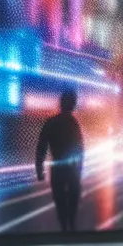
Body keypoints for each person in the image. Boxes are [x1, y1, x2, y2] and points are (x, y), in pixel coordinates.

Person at [35, 88, 85, 232]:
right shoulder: (74, 123)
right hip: (72, 169)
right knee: (73, 199)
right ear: (72, 104)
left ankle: (64, 228)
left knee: (60, 201)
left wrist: (40, 170)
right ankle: (71, 226)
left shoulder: (51, 122)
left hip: (57, 169)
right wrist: (79, 170)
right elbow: (81, 148)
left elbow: (41, 147)